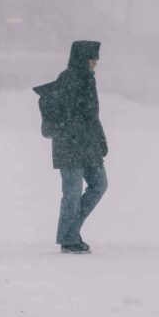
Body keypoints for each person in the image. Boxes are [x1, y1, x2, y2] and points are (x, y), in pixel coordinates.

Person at [34, 40, 108, 254]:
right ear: (84, 58)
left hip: (88, 145)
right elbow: (65, 114)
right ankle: (68, 238)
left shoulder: (88, 79)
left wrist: (100, 140)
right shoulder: (68, 79)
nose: (96, 62)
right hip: (70, 146)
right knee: (72, 192)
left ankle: (70, 231)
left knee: (99, 185)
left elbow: (92, 116)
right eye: (93, 58)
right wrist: (71, 131)